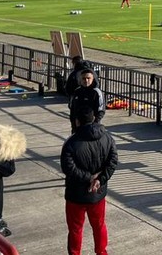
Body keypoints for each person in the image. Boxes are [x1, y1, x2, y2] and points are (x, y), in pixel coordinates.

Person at [61, 107, 118, 255]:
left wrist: (88, 178)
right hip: (97, 193)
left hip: (76, 194)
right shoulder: (107, 138)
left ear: (77, 121)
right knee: (99, 226)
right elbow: (113, 162)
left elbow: (68, 168)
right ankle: (101, 252)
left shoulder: (71, 143)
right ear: (93, 119)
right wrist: (99, 179)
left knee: (75, 229)